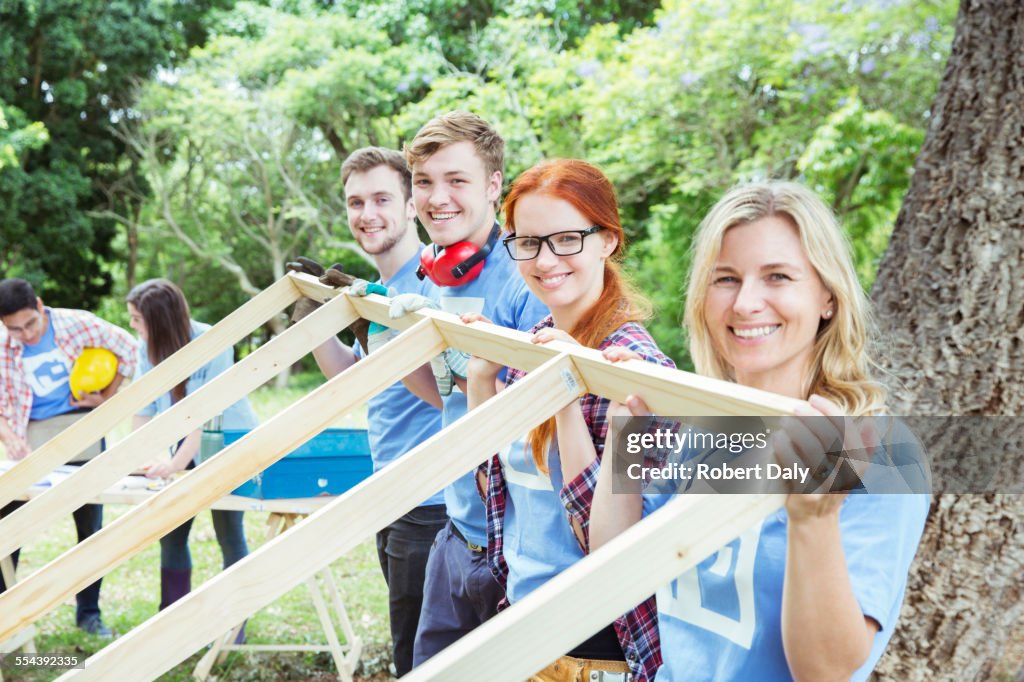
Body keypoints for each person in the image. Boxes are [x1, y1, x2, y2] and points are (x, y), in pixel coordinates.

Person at [590, 182, 930, 681]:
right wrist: (625, 432)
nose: (747, 302)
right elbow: (617, 574)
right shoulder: (707, 426)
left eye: (778, 277)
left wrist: (813, 519)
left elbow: (827, 671)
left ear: (828, 299)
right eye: (725, 278)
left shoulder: (881, 455)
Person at [462, 159, 674, 681]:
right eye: (528, 242)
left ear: (607, 240)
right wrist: (481, 381)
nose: (545, 258)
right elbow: (493, 489)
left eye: (567, 239)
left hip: (596, 648)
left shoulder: (636, 372)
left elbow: (604, 545)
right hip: (523, 625)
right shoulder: (531, 343)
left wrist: (565, 398)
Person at [390, 111, 549, 664]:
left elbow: (548, 424)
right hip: (457, 530)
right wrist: (407, 342)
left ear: (492, 185)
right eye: (425, 182)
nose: (439, 198)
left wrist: (470, 368)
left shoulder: (528, 277)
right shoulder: (433, 275)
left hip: (519, 543)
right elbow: (446, 398)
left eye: (456, 180)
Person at [289, 147, 448, 677]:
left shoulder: (430, 284)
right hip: (391, 494)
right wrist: (313, 320)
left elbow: (451, 391)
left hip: (433, 500)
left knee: (417, 657)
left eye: (382, 198)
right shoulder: (377, 293)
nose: (367, 213)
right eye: (356, 202)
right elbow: (353, 380)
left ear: (410, 206)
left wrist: (379, 333)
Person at [0, 277, 136, 638]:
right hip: (32, 434)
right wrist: (8, 435)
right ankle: (4, 613)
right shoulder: (2, 345)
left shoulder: (78, 323)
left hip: (83, 428)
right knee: (7, 523)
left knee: (90, 528)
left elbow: (131, 348)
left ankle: (89, 613)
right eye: (15, 329)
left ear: (41, 306)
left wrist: (107, 397)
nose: (26, 334)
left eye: (30, 323)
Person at [126, 279, 258, 626]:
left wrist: (173, 465)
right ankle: (172, 619)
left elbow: (204, 415)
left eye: (137, 319)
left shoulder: (212, 343)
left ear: (159, 320)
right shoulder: (147, 347)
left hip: (227, 442)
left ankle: (234, 621)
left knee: (228, 532)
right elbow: (144, 408)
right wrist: (135, 459)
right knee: (172, 532)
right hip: (183, 444)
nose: (133, 326)